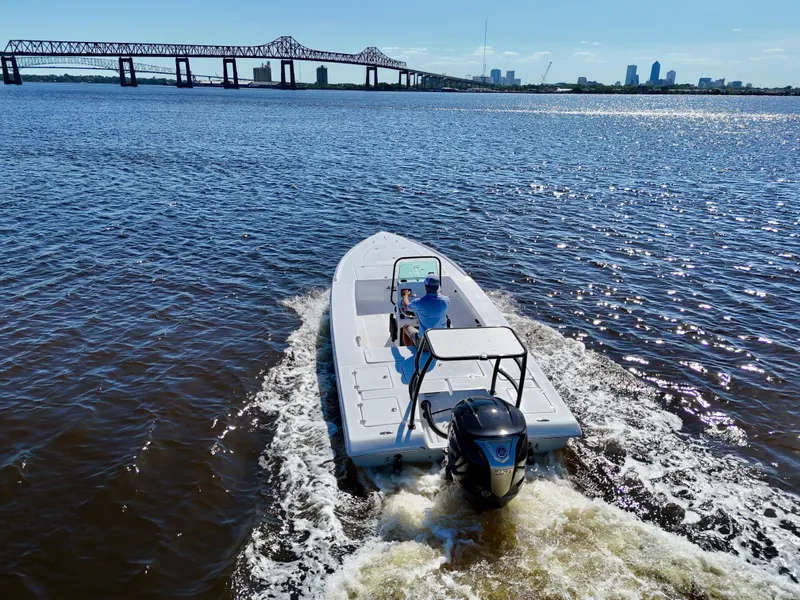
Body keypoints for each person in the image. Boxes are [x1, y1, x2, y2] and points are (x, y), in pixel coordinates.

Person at [402, 273, 450, 347]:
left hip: (424, 345)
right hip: (440, 342)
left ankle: (411, 348)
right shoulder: (446, 300)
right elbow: (439, 296)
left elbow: (406, 306)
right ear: (438, 286)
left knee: (405, 327)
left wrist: (405, 295)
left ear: (425, 287)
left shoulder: (418, 302)